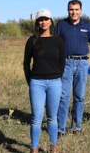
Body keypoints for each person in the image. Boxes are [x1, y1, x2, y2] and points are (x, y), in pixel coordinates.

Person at [23, 9, 65, 153]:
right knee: (36, 118)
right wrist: (31, 80)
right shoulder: (32, 40)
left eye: (46, 19)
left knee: (52, 117)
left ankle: (54, 148)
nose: (43, 22)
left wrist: (57, 76)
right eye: (41, 19)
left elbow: (62, 62)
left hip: (55, 83)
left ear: (51, 21)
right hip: (37, 83)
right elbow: (26, 62)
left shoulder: (58, 40)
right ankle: (34, 149)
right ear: (37, 22)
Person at [55, 0, 90, 136]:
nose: (74, 12)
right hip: (65, 63)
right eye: (71, 9)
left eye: (76, 9)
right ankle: (60, 128)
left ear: (81, 10)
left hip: (82, 64)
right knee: (63, 96)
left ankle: (76, 127)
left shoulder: (87, 25)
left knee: (79, 97)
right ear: (68, 10)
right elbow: (54, 44)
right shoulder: (61, 25)